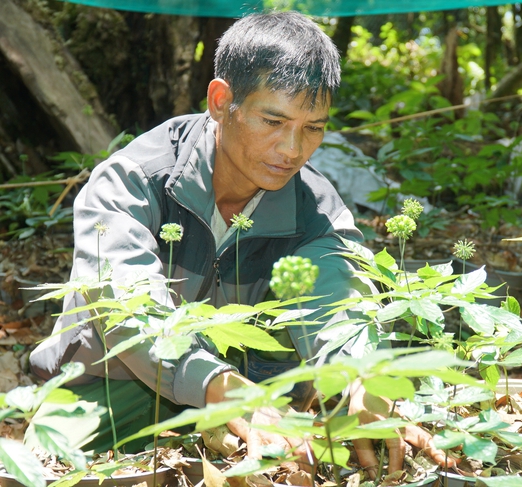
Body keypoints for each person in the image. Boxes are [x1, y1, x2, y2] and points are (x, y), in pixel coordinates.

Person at [29, 10, 454, 477]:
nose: (293, 149)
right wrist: (222, 389)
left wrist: (363, 389)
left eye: (313, 127)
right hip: (120, 384)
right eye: (273, 120)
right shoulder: (133, 182)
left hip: (262, 390)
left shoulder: (315, 211)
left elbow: (343, 313)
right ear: (220, 100)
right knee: (46, 467)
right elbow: (128, 312)